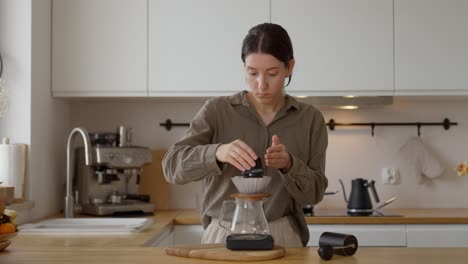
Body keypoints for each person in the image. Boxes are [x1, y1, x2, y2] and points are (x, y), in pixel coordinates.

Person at [162, 23, 328, 247]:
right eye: (252, 73)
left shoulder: (310, 119)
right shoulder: (216, 111)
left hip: (283, 237)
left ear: (289, 67)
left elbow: (314, 194)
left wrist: (290, 165)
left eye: (272, 73)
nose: (261, 85)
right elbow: (172, 167)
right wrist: (217, 152)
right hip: (222, 236)